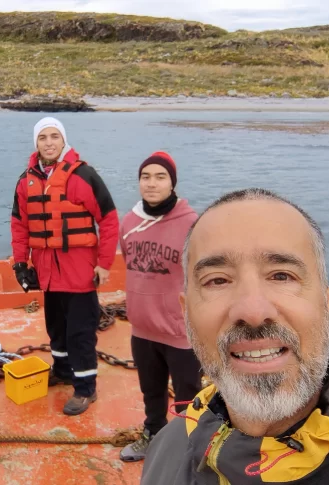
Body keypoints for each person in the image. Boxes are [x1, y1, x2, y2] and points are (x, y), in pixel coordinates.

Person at [141, 188, 329, 485]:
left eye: (282, 276)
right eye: (217, 280)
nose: (253, 311)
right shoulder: (170, 445)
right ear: (186, 315)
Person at [10, 117, 119, 415]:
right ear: (36, 143)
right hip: (46, 273)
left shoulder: (84, 175)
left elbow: (108, 219)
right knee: (55, 327)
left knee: (80, 332)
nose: (48, 142)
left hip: (80, 272)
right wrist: (21, 263)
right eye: (43, 137)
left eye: (54, 136)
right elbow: (19, 225)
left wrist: (104, 263)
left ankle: (85, 388)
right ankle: (62, 370)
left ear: (63, 140)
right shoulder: (25, 180)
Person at [118, 151, 203, 462]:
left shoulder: (191, 224)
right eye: (145, 177)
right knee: (151, 392)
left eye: (160, 177)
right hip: (142, 329)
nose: (151, 184)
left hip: (179, 331)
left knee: (187, 397)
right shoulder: (128, 222)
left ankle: (188, 449)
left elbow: (202, 274)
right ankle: (153, 435)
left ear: (172, 183)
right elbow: (129, 261)